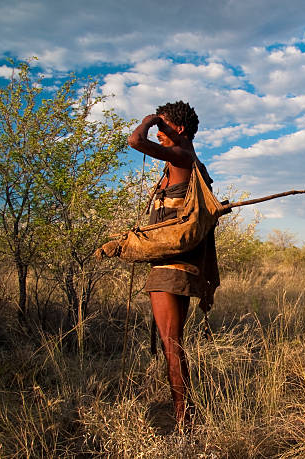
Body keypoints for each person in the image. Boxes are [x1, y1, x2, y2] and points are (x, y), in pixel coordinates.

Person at [127, 101, 220, 426]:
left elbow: (136, 141)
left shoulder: (182, 159)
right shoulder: (186, 165)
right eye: (157, 126)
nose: (158, 133)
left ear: (177, 129)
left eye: (163, 127)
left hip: (172, 269)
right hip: (176, 268)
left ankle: (183, 418)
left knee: (171, 346)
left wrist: (150, 119)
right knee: (175, 345)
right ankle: (186, 411)